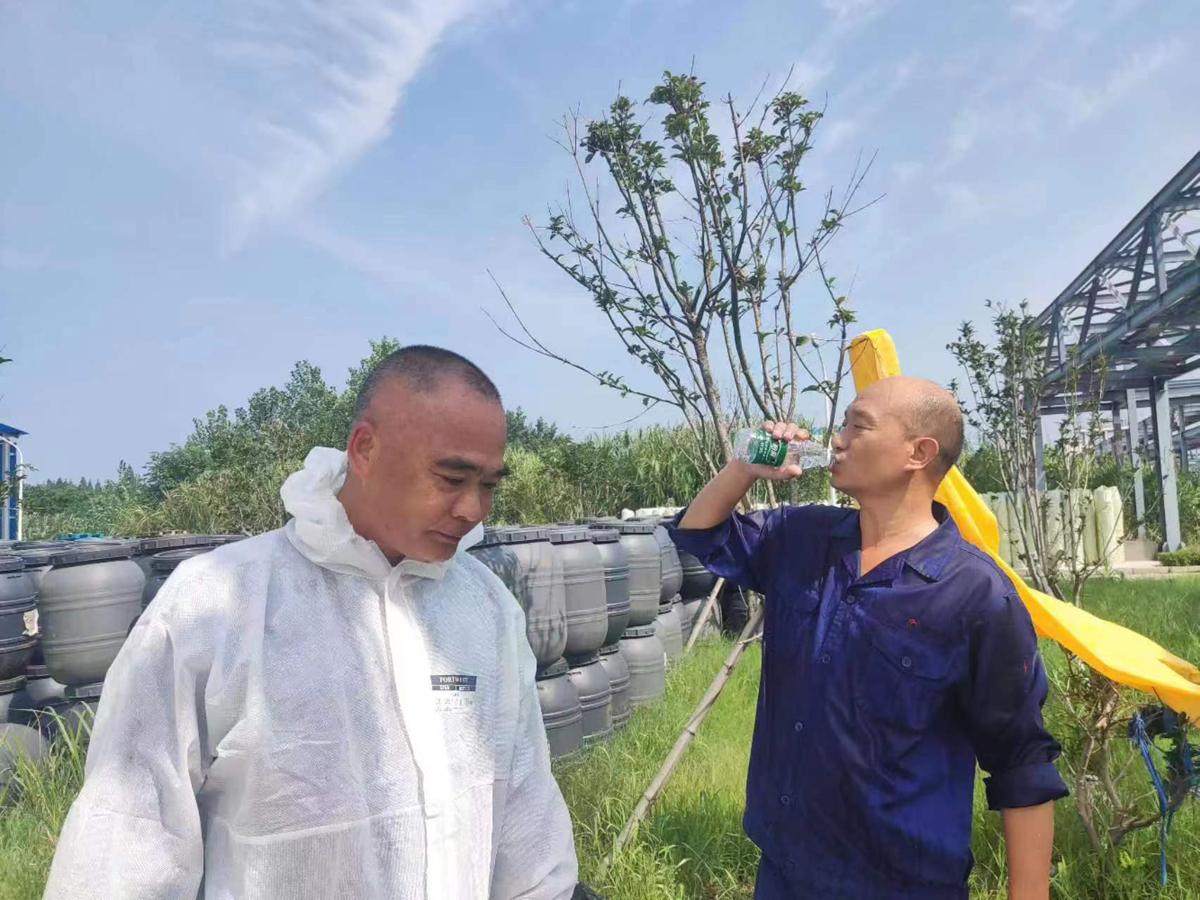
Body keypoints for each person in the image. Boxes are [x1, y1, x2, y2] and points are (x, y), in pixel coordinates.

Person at [44, 346, 579, 900]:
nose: (473, 509)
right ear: (365, 449)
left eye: (489, 485)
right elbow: (127, 839)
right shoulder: (217, 604)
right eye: (451, 478)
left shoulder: (484, 608)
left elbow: (527, 824)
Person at [667, 375, 1068, 900]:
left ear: (918, 453)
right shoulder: (801, 538)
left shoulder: (975, 594)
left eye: (859, 426)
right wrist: (743, 467)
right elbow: (700, 533)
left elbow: (1021, 763)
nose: (837, 439)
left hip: (902, 884)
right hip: (785, 871)